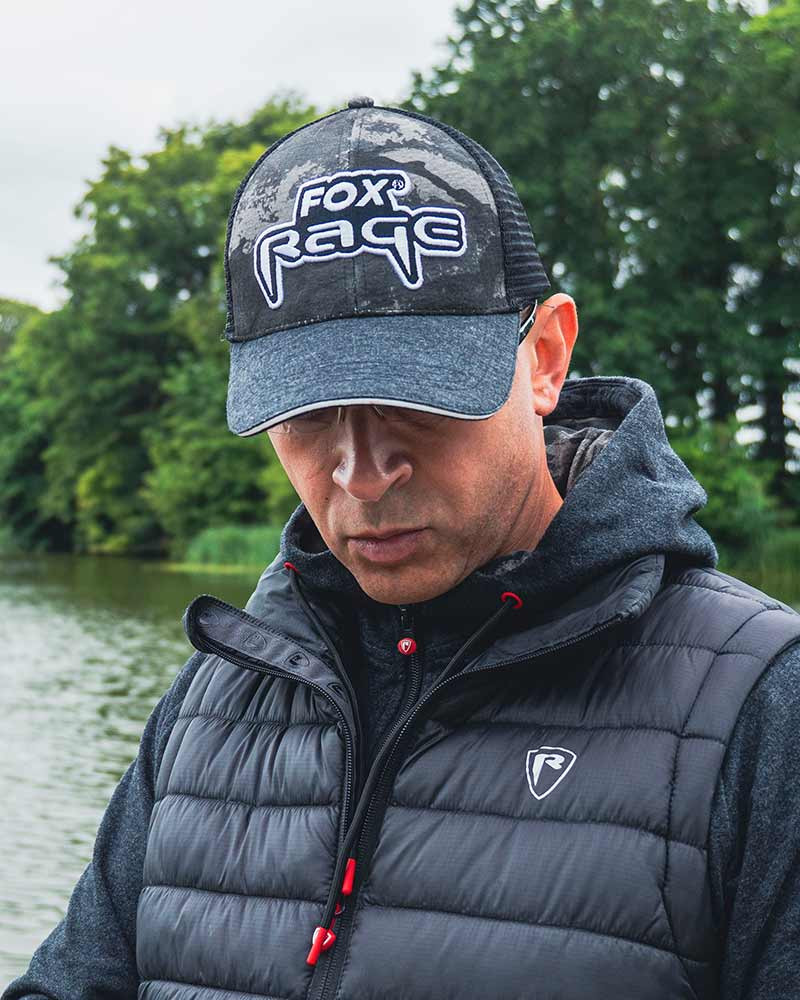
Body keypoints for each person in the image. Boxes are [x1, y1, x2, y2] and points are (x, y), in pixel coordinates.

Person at [5, 97, 800, 1000]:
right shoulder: (212, 697)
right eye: (306, 414)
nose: (361, 471)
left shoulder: (761, 705)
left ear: (544, 357)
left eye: (416, 397)